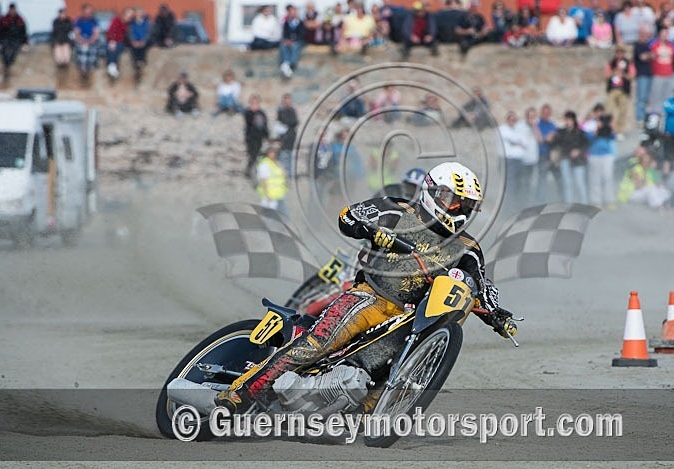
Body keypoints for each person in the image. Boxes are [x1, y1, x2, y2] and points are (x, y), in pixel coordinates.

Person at [214, 162, 517, 414]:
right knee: (319, 343)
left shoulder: (467, 248)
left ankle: (360, 412)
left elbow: (478, 284)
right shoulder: (397, 211)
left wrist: (498, 314)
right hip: (369, 297)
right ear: (433, 192)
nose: (459, 210)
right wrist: (372, 230)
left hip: (410, 318)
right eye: (454, 200)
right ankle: (242, 390)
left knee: (392, 376)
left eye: (467, 206)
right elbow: (347, 217)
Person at [553, 110, 590, 203]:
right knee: (567, 184)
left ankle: (584, 205)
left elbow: (586, 144)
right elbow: (556, 144)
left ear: (573, 120)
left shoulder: (580, 132)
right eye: (566, 120)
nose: (568, 122)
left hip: (578, 161)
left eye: (569, 120)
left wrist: (579, 151)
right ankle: (568, 206)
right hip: (565, 159)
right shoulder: (561, 132)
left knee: (580, 184)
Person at [587, 113, 617, 208]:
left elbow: (613, 137)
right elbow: (588, 138)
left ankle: (609, 200)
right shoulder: (591, 125)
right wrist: (596, 130)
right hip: (594, 155)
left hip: (607, 155)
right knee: (595, 179)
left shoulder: (607, 128)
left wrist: (611, 128)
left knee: (608, 178)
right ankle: (596, 201)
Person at [604, 45, 635, 139]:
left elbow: (631, 76)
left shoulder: (628, 63)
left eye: (621, 52)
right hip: (613, 89)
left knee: (623, 110)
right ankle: (608, 130)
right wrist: (614, 71)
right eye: (618, 52)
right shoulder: (611, 63)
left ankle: (619, 130)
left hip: (623, 89)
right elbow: (606, 75)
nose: (619, 54)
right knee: (609, 110)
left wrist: (623, 74)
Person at [499, 111, 527, 211]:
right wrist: (518, 142)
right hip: (508, 161)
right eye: (511, 119)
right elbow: (512, 139)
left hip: (518, 161)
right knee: (510, 186)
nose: (513, 121)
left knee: (518, 186)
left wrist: (518, 142)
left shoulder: (518, 130)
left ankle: (516, 207)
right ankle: (508, 209)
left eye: (515, 119)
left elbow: (524, 142)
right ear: (507, 119)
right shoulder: (503, 129)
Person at [257, 144, 289, 215]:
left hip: (279, 194)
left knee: (284, 216)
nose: (273, 154)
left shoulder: (276, 163)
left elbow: (282, 175)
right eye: (271, 152)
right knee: (270, 217)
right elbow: (263, 180)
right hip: (270, 196)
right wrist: (267, 195)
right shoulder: (265, 164)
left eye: (274, 152)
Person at [73, 3, 101, 82]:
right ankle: (83, 69)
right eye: (87, 11)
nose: (89, 13)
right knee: (82, 49)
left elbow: (96, 33)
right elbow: (76, 33)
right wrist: (82, 40)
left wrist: (89, 41)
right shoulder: (78, 21)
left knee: (91, 49)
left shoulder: (94, 21)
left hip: (91, 41)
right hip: (81, 41)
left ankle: (90, 68)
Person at [244, 94, 269, 179]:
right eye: (252, 102)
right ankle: (249, 171)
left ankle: (259, 171)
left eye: (256, 102)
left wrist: (267, 136)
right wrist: (253, 111)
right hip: (251, 137)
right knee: (252, 155)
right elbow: (249, 122)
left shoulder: (261, 113)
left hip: (260, 137)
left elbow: (265, 125)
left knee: (261, 154)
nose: (254, 104)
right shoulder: (248, 112)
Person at [0, 3, 27, 79]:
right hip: (5, 39)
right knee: (4, 51)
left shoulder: (20, 19)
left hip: (16, 39)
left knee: (15, 50)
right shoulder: (4, 19)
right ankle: (6, 66)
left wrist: (25, 42)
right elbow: (0, 31)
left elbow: (23, 31)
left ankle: (7, 66)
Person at [633, 28, 654, 124]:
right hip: (642, 75)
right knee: (641, 97)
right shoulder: (638, 46)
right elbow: (642, 57)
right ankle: (640, 118)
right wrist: (649, 55)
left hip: (650, 74)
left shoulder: (648, 46)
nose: (645, 38)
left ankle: (647, 117)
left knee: (648, 98)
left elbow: (653, 56)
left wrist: (649, 55)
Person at [279, 4, 305, 78]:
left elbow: (302, 34)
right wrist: (287, 40)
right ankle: (286, 62)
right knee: (283, 46)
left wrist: (294, 40)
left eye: (294, 11)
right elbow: (285, 33)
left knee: (295, 47)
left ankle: (291, 63)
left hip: (298, 41)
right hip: (289, 40)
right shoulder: (287, 23)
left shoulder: (300, 22)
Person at [105, 8, 132, 79]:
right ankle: (112, 65)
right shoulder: (116, 20)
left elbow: (126, 36)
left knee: (117, 47)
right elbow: (111, 31)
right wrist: (112, 40)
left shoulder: (129, 25)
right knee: (111, 48)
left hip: (122, 42)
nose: (128, 18)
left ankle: (112, 65)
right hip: (112, 40)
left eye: (130, 17)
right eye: (127, 15)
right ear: (123, 15)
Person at [277, 93, 299, 174]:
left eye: (289, 100)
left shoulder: (292, 111)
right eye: (285, 101)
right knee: (283, 159)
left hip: (291, 139)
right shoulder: (280, 111)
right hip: (283, 140)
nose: (287, 102)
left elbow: (295, 122)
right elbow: (283, 122)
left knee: (290, 160)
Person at [127, 8, 151, 80]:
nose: (138, 15)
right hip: (135, 41)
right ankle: (136, 64)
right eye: (137, 13)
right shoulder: (132, 24)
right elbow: (130, 33)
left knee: (143, 48)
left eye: (140, 13)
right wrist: (133, 41)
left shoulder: (146, 23)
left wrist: (144, 41)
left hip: (143, 42)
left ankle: (141, 62)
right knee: (134, 49)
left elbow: (148, 33)